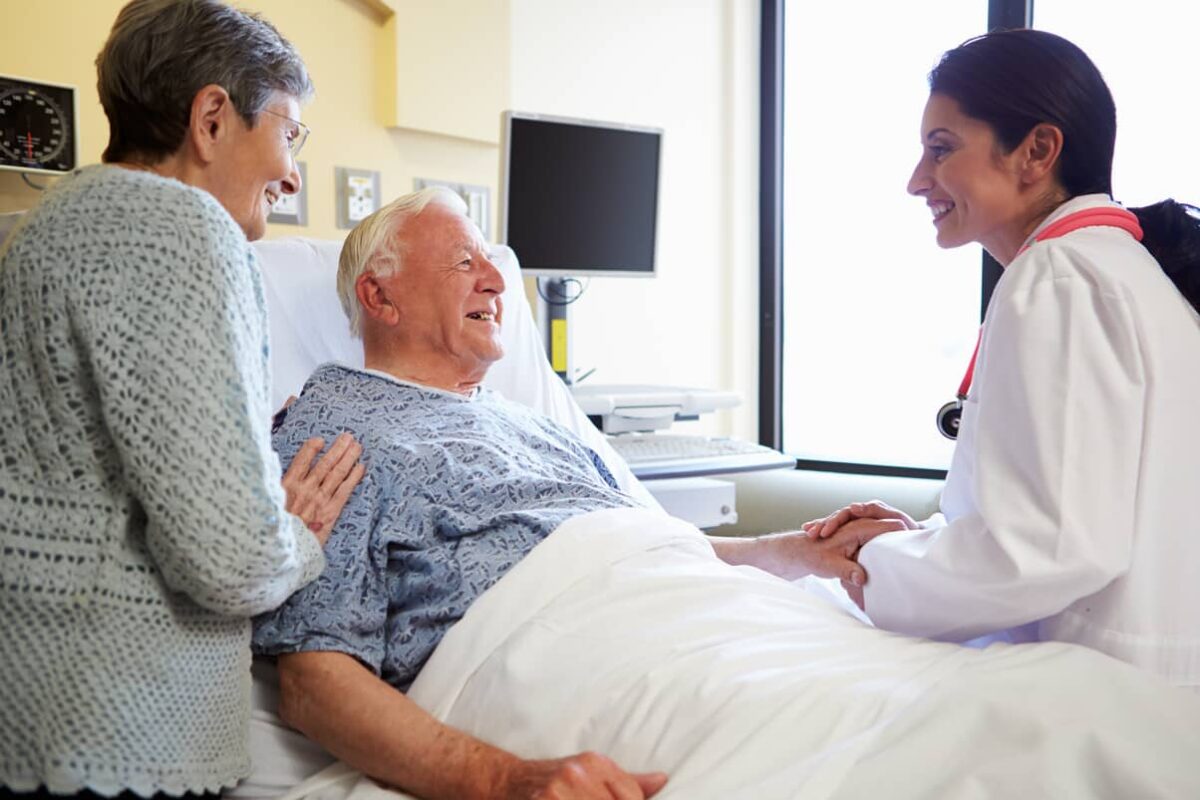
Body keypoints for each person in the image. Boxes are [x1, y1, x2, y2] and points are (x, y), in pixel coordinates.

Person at [251, 188, 905, 800]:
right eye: (462, 262)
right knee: (841, 737)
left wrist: (799, 551)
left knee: (902, 693)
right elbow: (314, 681)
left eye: (490, 261)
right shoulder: (338, 429)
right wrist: (509, 780)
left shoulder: (533, 424)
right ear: (380, 297)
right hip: (564, 647)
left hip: (701, 615)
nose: (497, 281)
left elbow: (644, 549)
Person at [0, 1, 363, 796]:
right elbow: (230, 561)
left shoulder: (33, 230)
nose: (292, 170)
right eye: (288, 133)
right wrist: (296, 534)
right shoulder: (187, 232)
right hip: (125, 738)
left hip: (24, 712)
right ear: (211, 118)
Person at [804, 28, 1200, 692]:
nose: (916, 181)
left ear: (1037, 151)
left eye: (941, 149)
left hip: (1102, 694)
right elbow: (1068, 515)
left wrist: (872, 565)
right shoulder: (1112, 271)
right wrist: (920, 543)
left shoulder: (1061, 276)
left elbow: (1052, 550)